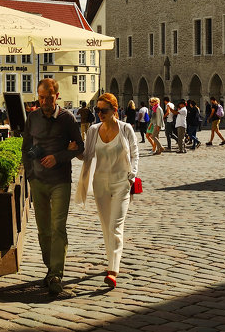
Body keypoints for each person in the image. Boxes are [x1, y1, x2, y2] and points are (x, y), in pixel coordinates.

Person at [22, 77, 84, 298]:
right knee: (43, 229)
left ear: (56, 96)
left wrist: (58, 157)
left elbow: (80, 146)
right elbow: (26, 148)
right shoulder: (33, 117)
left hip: (60, 180)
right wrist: (30, 175)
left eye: (49, 97)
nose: (45, 101)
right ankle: (50, 269)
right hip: (38, 181)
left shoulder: (67, 119)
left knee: (58, 227)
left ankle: (56, 273)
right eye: (41, 97)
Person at [75, 93, 139, 290]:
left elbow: (135, 154)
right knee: (106, 227)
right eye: (97, 110)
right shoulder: (94, 130)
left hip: (121, 183)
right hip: (100, 183)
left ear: (115, 110)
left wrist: (131, 177)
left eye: (104, 110)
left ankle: (113, 270)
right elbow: (86, 155)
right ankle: (111, 260)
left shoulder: (126, 129)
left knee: (115, 226)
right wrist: (74, 150)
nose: (100, 113)